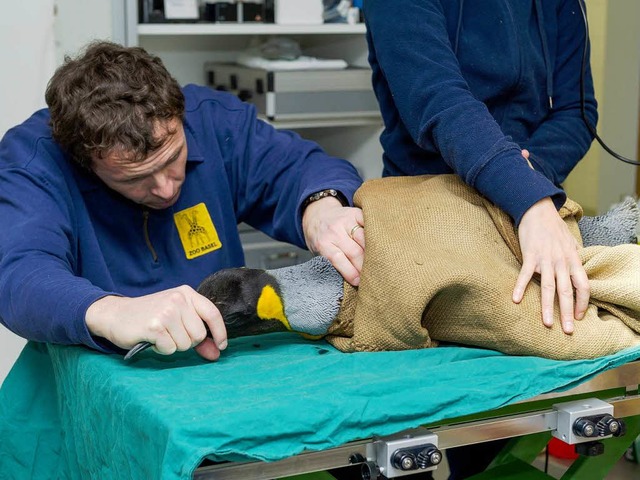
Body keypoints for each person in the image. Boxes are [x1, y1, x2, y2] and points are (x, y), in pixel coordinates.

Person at [0, 41, 365, 361]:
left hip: (216, 363)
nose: (165, 189)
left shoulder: (213, 121)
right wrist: (111, 313)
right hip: (91, 379)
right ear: (84, 162)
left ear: (180, 116)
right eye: (135, 177)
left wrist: (323, 207)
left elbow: (301, 169)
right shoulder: (33, 161)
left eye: (174, 159)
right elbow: (19, 274)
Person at [363, 0, 598, 478]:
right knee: (407, 435)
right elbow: (438, 98)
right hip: (427, 215)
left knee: (495, 432)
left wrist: (529, 177)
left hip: (529, 210)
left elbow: (578, 110)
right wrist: (527, 196)